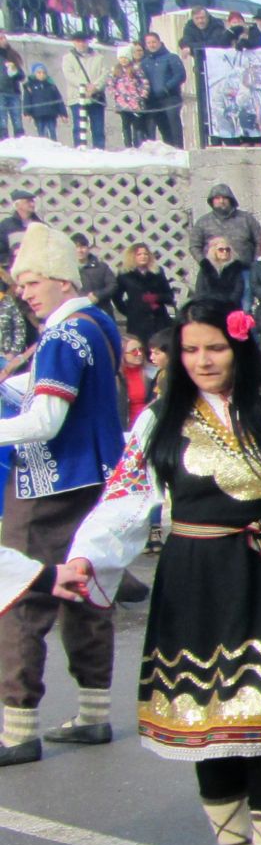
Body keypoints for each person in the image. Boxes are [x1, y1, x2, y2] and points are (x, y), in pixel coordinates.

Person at [55, 301, 261, 845]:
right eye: (191, 350)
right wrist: (86, 555)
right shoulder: (160, 420)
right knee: (211, 716)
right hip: (196, 577)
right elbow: (125, 498)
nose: (202, 361)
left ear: (240, 349)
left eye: (214, 348)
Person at [0, 225, 126, 767]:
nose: (23, 292)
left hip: (46, 483)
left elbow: (46, 420)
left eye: (30, 282)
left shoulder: (59, 337)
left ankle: (16, 728)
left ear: (59, 279)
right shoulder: (99, 327)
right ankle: (93, 713)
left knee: (21, 599)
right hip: (96, 477)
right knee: (87, 593)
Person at [109, 242, 174, 344]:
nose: (143, 257)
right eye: (139, 254)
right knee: (139, 350)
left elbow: (169, 296)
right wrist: (129, 311)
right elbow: (117, 298)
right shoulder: (124, 274)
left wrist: (156, 298)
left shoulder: (157, 272)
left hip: (159, 320)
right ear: (132, 257)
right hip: (137, 322)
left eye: (145, 254)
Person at [189, 184, 261, 264]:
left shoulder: (246, 219)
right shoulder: (203, 222)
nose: (221, 201)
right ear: (212, 201)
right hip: (215, 271)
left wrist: (256, 264)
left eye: (225, 198)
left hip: (244, 270)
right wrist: (205, 264)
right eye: (217, 198)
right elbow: (194, 246)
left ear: (230, 200)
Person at [60, 33, 109, 149]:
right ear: (74, 42)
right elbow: (69, 75)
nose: (81, 44)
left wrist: (95, 86)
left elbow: (105, 74)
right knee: (79, 127)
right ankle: (79, 149)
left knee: (98, 127)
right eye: (78, 41)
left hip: (96, 97)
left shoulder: (99, 57)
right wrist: (84, 86)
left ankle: (99, 150)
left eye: (84, 41)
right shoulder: (68, 58)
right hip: (77, 97)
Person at [108, 47, 148, 146]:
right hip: (122, 102)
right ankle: (127, 144)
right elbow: (110, 84)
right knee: (125, 124)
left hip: (135, 102)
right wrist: (115, 94)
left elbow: (144, 82)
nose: (123, 60)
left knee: (137, 124)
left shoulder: (135, 69)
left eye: (125, 57)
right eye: (121, 58)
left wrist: (142, 95)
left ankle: (138, 144)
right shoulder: (115, 70)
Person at [193, 238, 250, 306]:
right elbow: (200, 290)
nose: (225, 252)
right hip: (209, 307)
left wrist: (228, 305)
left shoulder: (236, 267)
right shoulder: (206, 267)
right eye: (221, 250)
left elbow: (238, 290)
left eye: (227, 249)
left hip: (230, 306)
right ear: (214, 251)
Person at [22, 63, 62, 140]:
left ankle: (54, 144)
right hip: (38, 114)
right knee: (41, 131)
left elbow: (58, 99)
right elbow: (27, 100)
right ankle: (44, 145)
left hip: (51, 113)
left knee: (52, 130)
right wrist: (27, 113)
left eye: (44, 73)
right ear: (34, 74)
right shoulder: (30, 86)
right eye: (39, 73)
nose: (42, 75)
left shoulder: (51, 85)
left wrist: (63, 113)